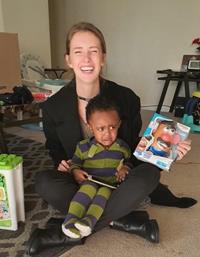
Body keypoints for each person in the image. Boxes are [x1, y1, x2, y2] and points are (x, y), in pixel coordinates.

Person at [27, 22, 196, 255]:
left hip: (117, 181)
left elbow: (135, 150)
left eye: (93, 51)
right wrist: (68, 167)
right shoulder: (53, 107)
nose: (86, 59)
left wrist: (169, 152)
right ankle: (121, 219)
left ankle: (63, 234)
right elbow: (55, 149)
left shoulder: (126, 98)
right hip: (81, 181)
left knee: (148, 175)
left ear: (103, 57)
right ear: (68, 59)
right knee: (44, 182)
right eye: (78, 52)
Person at [62, 95, 132, 239]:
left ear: (119, 124)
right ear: (90, 127)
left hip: (109, 185)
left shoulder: (122, 147)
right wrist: (75, 171)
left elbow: (129, 161)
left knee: (103, 196)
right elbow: (74, 163)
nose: (107, 134)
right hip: (89, 181)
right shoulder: (83, 147)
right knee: (85, 192)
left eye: (112, 127)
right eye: (100, 129)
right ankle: (70, 221)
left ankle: (88, 222)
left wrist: (125, 168)